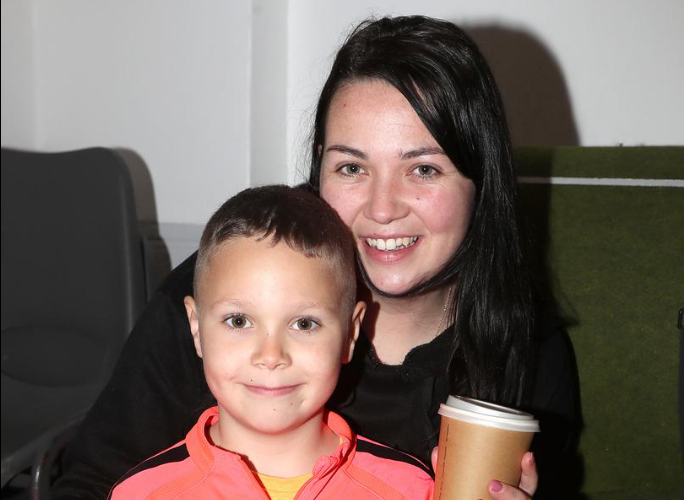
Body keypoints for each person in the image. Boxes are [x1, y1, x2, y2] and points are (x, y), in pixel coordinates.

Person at [53, 15, 577, 500]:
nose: (382, 208)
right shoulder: (231, 292)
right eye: (352, 167)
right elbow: (90, 481)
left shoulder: (526, 349)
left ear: (480, 185)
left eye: (423, 170)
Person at [108, 185, 434, 500]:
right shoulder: (141, 494)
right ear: (196, 328)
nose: (270, 355)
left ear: (350, 334)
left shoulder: (412, 490)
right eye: (238, 321)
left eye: (304, 324)